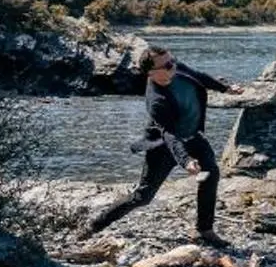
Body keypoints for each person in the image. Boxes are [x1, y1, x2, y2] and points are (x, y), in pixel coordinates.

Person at [87, 47, 240, 245]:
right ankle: (95, 225)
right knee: (143, 196)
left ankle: (204, 229)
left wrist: (226, 88)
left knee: (211, 174)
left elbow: (200, 77)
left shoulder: (177, 68)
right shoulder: (157, 100)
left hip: (194, 137)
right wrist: (185, 161)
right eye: (167, 65)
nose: (173, 66)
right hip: (163, 147)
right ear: (151, 73)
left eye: (172, 60)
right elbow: (170, 134)